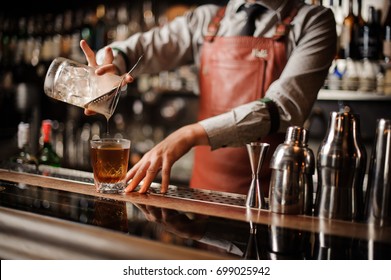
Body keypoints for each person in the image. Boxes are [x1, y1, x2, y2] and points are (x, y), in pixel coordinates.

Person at [81, 0, 337, 195]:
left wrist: (189, 134)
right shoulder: (207, 19)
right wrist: (112, 64)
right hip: (202, 194)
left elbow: (283, 107)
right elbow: (145, 47)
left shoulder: (313, 21)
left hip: (269, 198)